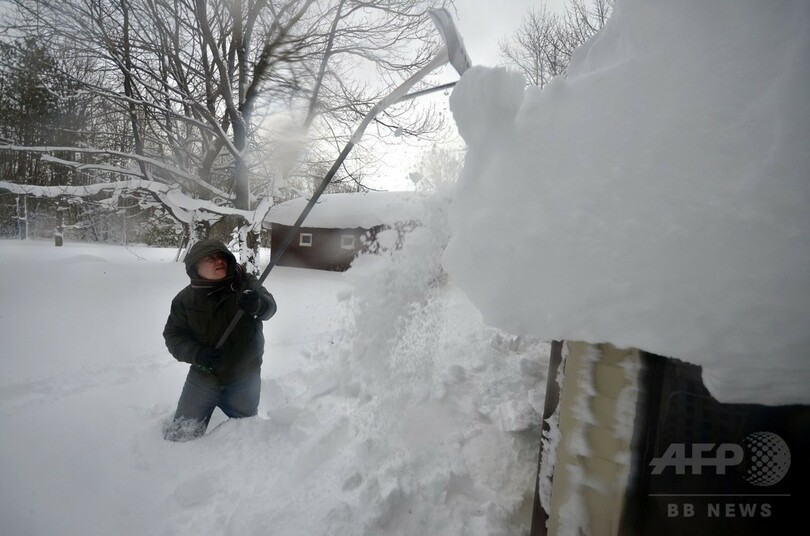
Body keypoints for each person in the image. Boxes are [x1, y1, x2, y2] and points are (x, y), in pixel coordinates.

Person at [162, 239, 277, 441]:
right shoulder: (185, 300)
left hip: (244, 377)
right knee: (180, 436)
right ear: (195, 266)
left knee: (244, 436)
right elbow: (173, 336)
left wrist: (258, 304)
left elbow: (270, 308)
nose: (219, 261)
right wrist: (197, 354)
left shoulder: (246, 284)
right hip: (203, 376)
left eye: (222, 257)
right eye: (210, 258)